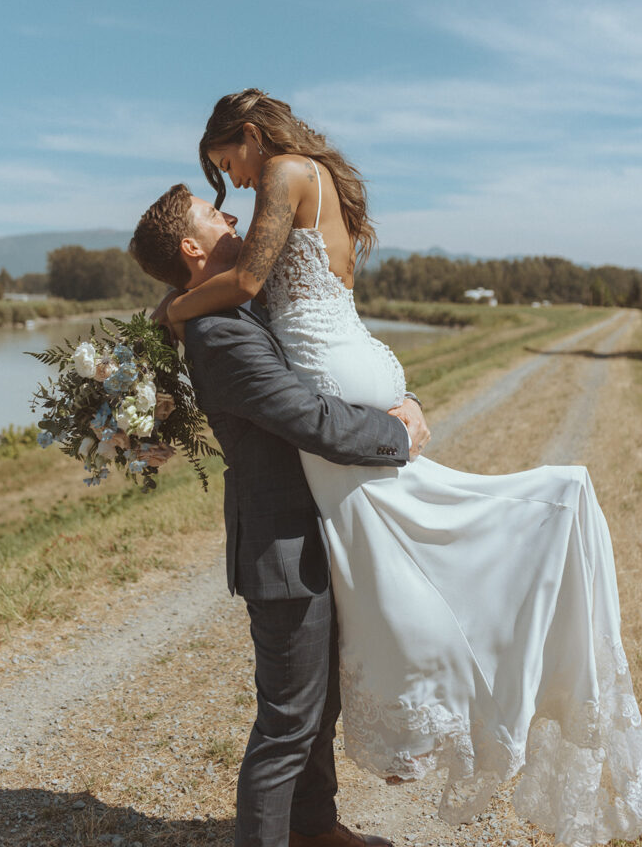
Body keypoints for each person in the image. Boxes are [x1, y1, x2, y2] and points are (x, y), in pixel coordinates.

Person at [160, 89, 642, 847]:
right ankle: (385, 746)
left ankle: (330, 808)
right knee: (338, 649)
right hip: (317, 458)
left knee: (363, 621)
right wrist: (393, 418)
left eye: (233, 173)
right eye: (219, 199)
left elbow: (262, 291)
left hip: (334, 423)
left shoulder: (276, 200)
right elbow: (300, 392)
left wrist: (171, 312)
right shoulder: (237, 304)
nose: (238, 200)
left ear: (252, 139)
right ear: (192, 253)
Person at [129, 185, 429, 847]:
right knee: (286, 723)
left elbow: (324, 359)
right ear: (191, 246)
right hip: (283, 545)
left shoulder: (231, 305)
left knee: (316, 707)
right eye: (216, 215)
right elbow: (304, 417)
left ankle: (313, 829)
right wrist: (395, 434)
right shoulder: (216, 333)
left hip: (320, 526)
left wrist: (394, 391)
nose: (233, 215)